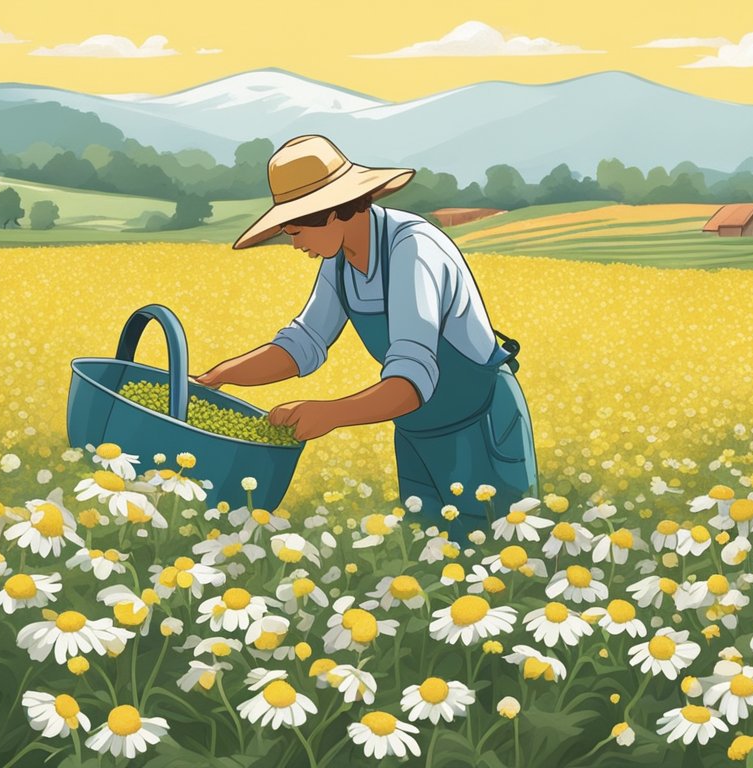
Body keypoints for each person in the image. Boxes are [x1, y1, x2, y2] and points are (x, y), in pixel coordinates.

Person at [193, 134, 538, 538]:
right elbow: (302, 345)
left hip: (479, 429)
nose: (292, 242)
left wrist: (329, 414)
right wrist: (217, 377)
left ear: (333, 211)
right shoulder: (339, 262)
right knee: (428, 552)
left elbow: (412, 381)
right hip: (416, 431)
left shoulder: (414, 249)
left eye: (296, 228)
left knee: (501, 551)